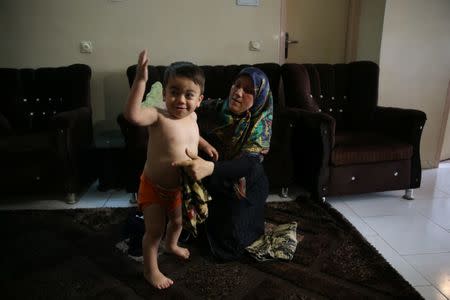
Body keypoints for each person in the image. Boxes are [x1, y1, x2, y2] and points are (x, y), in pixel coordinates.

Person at [124, 50, 217, 289]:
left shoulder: (193, 118)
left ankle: (172, 244)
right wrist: (141, 80)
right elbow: (132, 115)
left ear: (199, 100)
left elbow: (192, 138)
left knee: (177, 223)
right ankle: (150, 270)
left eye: (189, 95)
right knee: (154, 231)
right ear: (164, 93)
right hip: (154, 186)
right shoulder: (157, 115)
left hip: (179, 189)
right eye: (174, 92)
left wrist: (205, 145)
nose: (181, 100)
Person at [173, 66, 273, 261]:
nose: (238, 92)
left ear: (260, 97)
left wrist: (209, 168)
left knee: (230, 244)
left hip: (245, 185)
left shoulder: (261, 124)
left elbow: (248, 164)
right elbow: (179, 106)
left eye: (248, 90)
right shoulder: (217, 107)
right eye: (237, 85)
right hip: (215, 179)